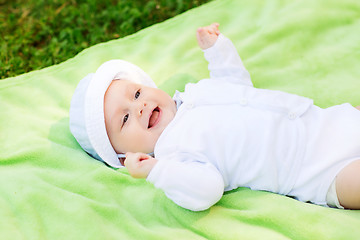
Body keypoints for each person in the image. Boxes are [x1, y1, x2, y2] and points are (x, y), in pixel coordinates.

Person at [69, 23, 360, 211]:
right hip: (315, 172)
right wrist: (156, 172)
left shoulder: (196, 92)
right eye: (124, 120)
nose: (140, 107)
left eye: (136, 95)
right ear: (124, 156)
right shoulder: (173, 156)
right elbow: (207, 189)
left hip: (326, 122)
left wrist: (218, 52)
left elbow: (236, 84)